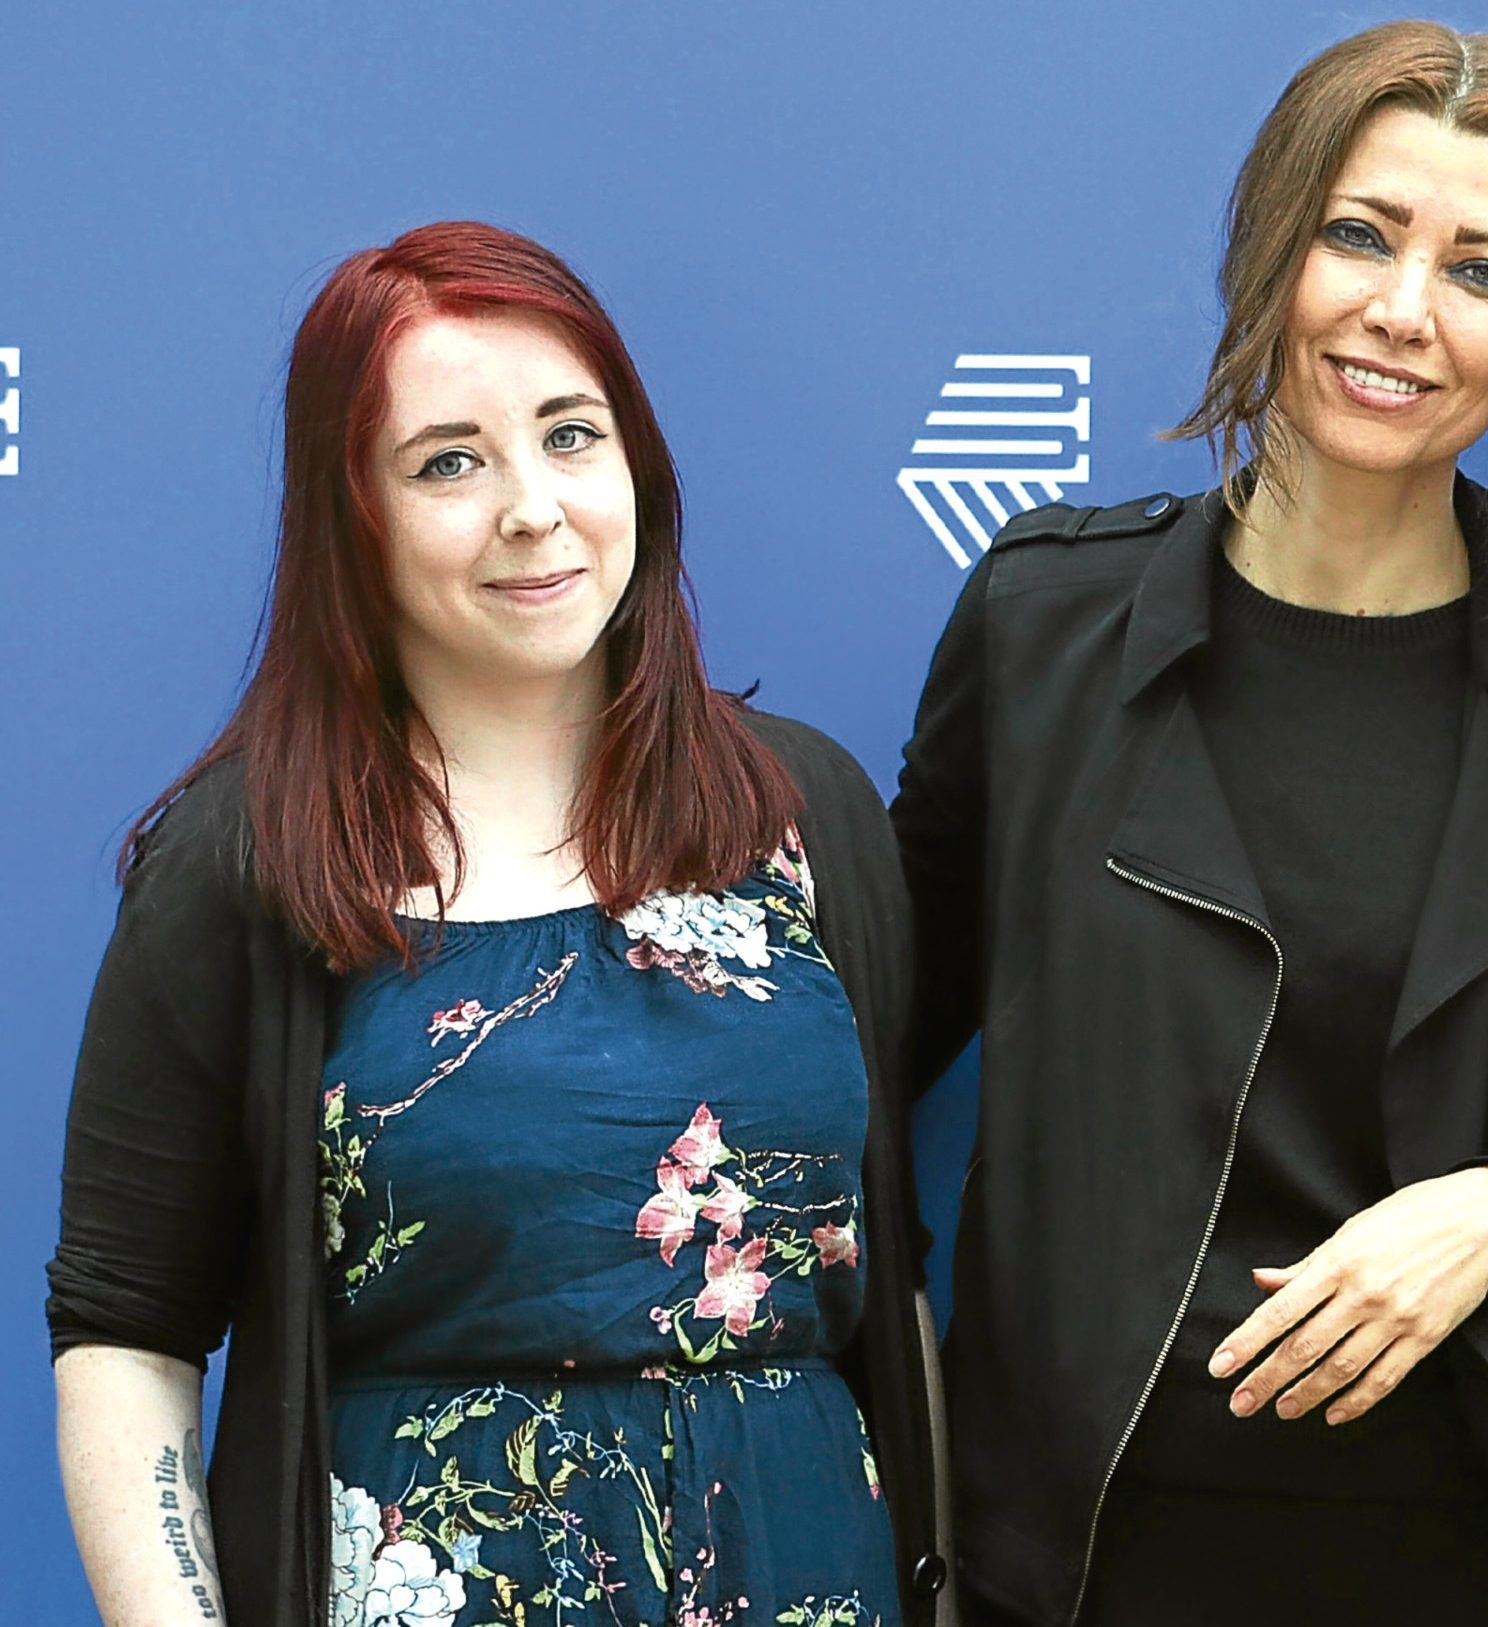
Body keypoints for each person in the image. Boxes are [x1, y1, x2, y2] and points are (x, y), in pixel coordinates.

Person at [891, 21, 1488, 1627]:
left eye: (1482, 272)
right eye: (1361, 234)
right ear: (1275, 243)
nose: (1404, 312)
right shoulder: (1041, 632)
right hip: (1099, 1563)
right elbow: (843, 1050)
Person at [48, 222, 947, 1626]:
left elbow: (898, 1282)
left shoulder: (805, 812)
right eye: (448, 462)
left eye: (571, 436)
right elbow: (128, 1328)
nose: (532, 505)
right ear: (355, 512)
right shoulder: (244, 861)